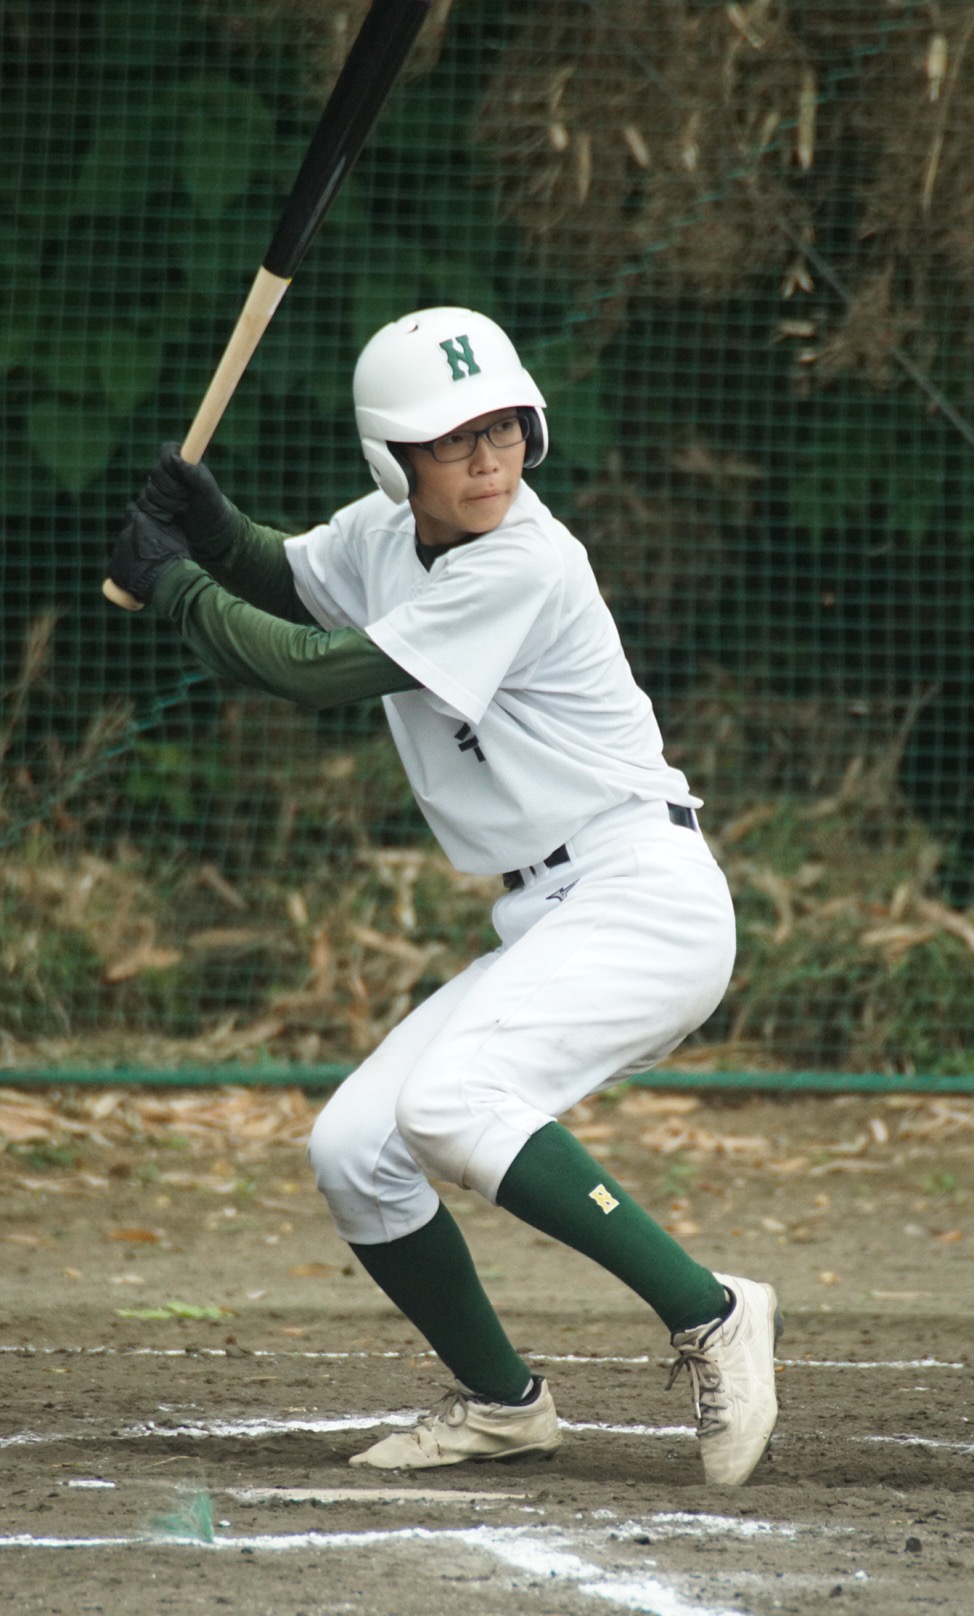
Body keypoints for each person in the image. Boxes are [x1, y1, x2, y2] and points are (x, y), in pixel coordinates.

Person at [107, 306, 782, 1484]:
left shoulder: (526, 557)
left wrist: (172, 585)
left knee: (454, 1102)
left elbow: (311, 670)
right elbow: (292, 579)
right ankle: (503, 1401)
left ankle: (712, 1309)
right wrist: (212, 529)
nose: (488, 458)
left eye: (504, 428)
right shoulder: (384, 533)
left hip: (643, 893)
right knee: (354, 1149)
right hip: (550, 910)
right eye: (453, 438)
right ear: (394, 458)